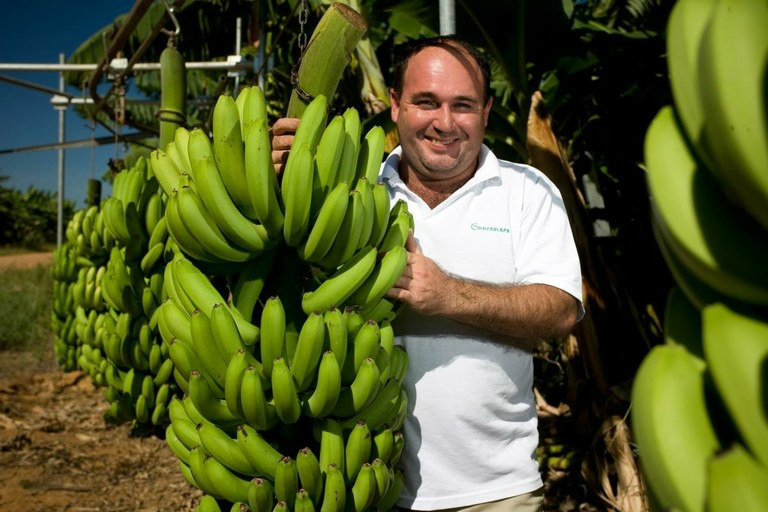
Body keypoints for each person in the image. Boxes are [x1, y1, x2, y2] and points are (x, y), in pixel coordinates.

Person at [272, 35, 583, 512]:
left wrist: (447, 295)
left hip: (498, 492)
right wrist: (284, 187)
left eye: (463, 105)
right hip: (360, 482)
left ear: (486, 111)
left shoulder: (526, 191)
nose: (444, 122)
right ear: (395, 105)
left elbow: (560, 311)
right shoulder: (354, 191)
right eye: (426, 102)